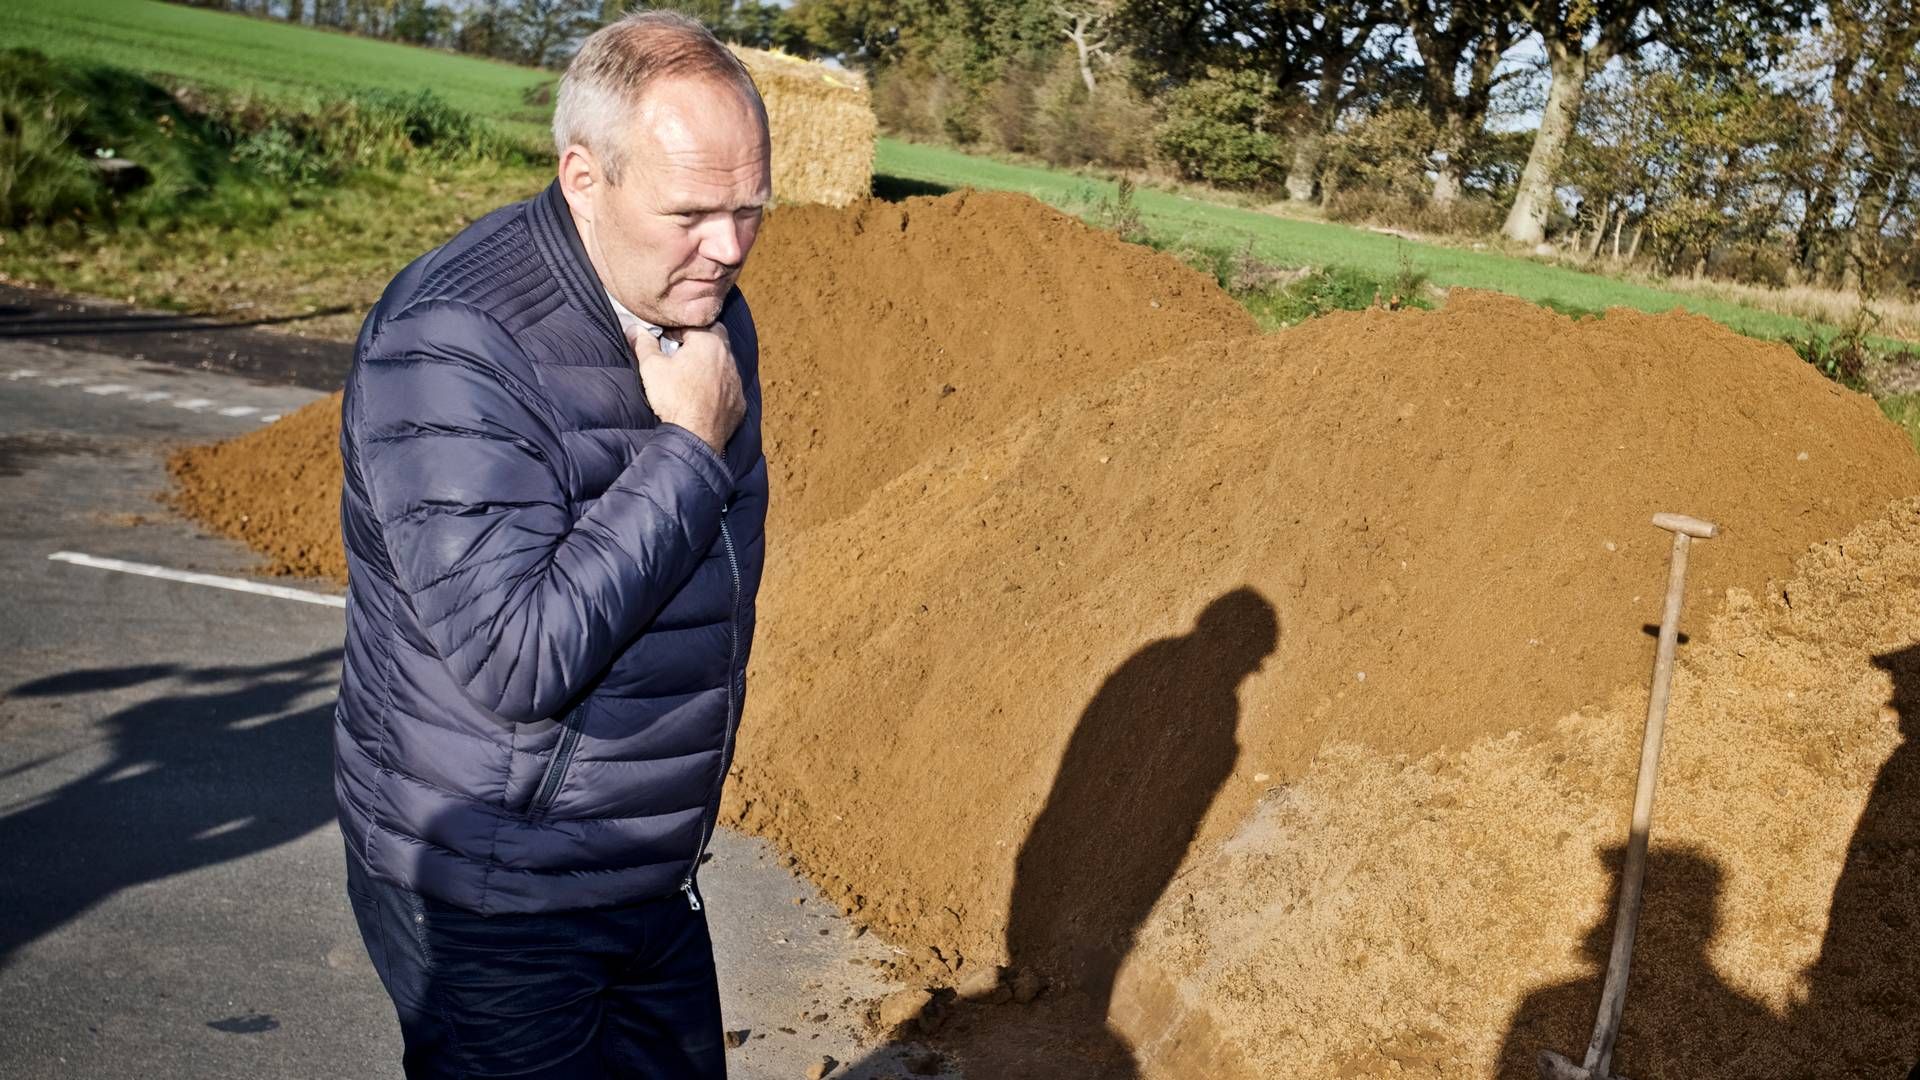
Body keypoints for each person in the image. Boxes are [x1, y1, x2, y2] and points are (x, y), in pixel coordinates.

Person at [332, 12, 769, 1078]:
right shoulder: (453, 341)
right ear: (584, 177)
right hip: (496, 891)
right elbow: (515, 657)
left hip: (641, 871)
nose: (729, 247)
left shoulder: (702, 306)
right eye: (692, 213)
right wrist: (687, 453)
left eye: (751, 209)